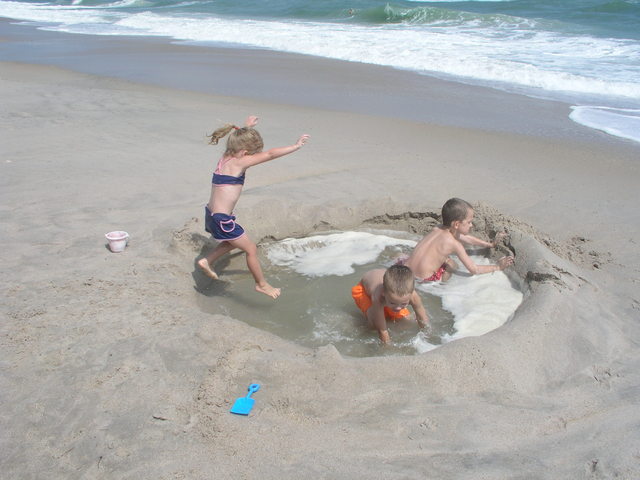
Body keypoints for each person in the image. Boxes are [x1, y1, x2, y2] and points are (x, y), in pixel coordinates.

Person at [197, 115, 309, 299]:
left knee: (233, 241)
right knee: (250, 249)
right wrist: (296, 146)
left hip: (211, 214)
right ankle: (261, 284)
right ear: (244, 152)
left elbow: (238, 138)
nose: (252, 157)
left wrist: (246, 127)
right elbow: (270, 154)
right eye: (251, 154)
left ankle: (207, 260)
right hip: (222, 220)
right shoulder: (240, 162)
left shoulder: (225, 157)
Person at [400, 197, 514, 283]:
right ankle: (443, 285)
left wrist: (490, 244)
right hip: (424, 280)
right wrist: (497, 267)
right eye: (469, 222)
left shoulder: (437, 228)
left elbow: (466, 238)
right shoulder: (454, 244)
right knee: (452, 263)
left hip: (404, 271)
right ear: (456, 224)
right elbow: (474, 269)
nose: (471, 225)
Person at [351, 264, 429, 345]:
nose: (398, 308)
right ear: (384, 293)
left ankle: (392, 305)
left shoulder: (413, 297)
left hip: (387, 287)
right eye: (393, 303)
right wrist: (387, 347)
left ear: (411, 294)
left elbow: (423, 319)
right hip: (363, 291)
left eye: (404, 303)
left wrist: (427, 334)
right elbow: (382, 331)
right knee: (374, 324)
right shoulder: (377, 296)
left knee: (403, 318)